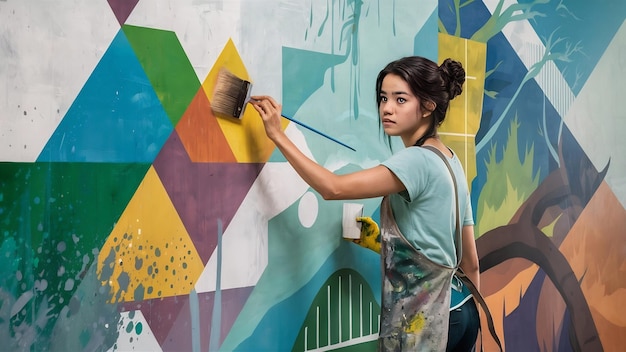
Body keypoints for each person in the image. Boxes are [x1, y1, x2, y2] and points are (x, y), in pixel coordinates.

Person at [250, 56, 480, 351]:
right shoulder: (450, 159)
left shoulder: (415, 160)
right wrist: (385, 245)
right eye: (384, 98)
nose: (387, 108)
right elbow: (470, 261)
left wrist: (276, 135)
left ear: (428, 106)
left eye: (400, 99)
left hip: (429, 321)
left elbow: (332, 188)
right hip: (463, 310)